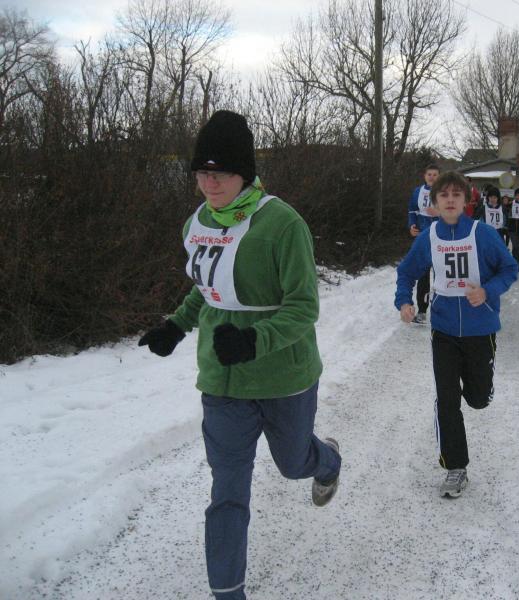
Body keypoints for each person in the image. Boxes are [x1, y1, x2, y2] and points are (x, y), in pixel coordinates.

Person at [138, 110, 341, 600]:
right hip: (222, 381)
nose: (209, 184)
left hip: (283, 376)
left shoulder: (282, 224)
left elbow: (303, 307)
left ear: (245, 174)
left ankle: (328, 461)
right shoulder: (197, 224)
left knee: (293, 463)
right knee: (227, 492)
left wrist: (255, 340)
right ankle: (228, 593)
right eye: (202, 173)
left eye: (221, 173)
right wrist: (176, 326)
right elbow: (206, 289)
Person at [395, 171, 519, 498]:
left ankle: (483, 389)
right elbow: (406, 272)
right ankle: (455, 467)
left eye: (456, 195)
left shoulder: (483, 234)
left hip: (481, 329)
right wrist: (404, 301)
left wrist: (487, 291)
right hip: (444, 331)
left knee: (477, 398)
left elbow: (510, 269)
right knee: (447, 398)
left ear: (466, 201)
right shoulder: (429, 237)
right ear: (434, 202)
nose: (450, 200)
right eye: (444, 195)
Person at [407, 163, 441, 324]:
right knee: (423, 275)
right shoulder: (417, 192)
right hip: (423, 239)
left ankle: (442, 310)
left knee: (441, 275)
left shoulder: (444, 192)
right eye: (429, 174)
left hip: (441, 240)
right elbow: (412, 211)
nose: (432, 177)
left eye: (435, 175)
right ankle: (422, 311)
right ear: (424, 176)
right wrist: (412, 225)